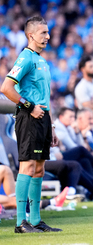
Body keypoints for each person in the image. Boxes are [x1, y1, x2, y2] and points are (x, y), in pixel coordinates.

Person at [0, 16, 61, 233]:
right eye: (43, 32)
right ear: (30, 35)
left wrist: (52, 126)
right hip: (29, 118)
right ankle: (20, 222)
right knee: (27, 166)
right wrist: (28, 106)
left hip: (43, 119)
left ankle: (35, 220)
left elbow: (45, 97)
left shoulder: (42, 61)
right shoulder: (25, 58)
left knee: (39, 168)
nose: (48, 36)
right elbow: (6, 88)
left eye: (48, 32)